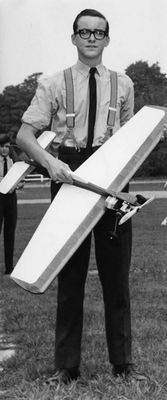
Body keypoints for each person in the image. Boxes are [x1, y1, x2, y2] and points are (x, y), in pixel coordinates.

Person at [16, 9, 139, 383]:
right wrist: (50, 164)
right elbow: (24, 136)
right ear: (73, 38)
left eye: (98, 32)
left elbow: (130, 140)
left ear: (106, 39)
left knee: (116, 277)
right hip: (67, 174)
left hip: (113, 181)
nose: (91, 38)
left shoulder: (124, 84)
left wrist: (125, 183)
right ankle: (66, 367)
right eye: (83, 32)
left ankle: (123, 365)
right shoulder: (53, 84)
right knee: (70, 278)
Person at [0, 134, 19, 275]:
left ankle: (9, 267)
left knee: (10, 233)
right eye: (2, 146)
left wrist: (20, 183)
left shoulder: (14, 161)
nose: (5, 149)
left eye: (7, 146)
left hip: (11, 199)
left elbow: (18, 179)